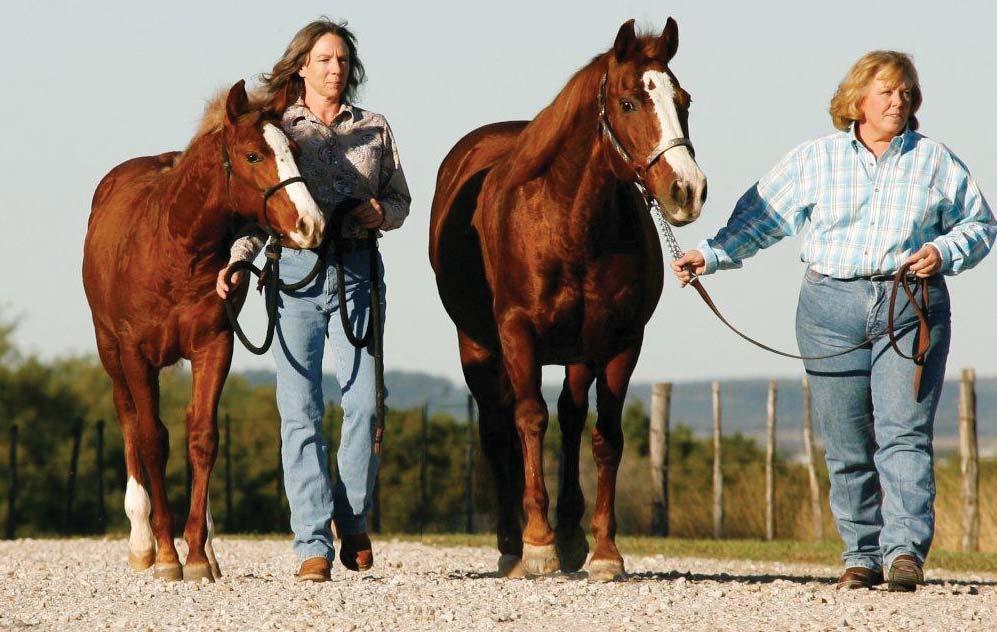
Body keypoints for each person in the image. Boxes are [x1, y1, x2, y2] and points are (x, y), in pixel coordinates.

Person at [672, 51, 994, 591]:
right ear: (857, 100)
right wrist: (711, 254)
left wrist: (943, 250)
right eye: (887, 92)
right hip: (829, 309)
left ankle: (904, 554)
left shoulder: (936, 160)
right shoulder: (814, 159)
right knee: (845, 443)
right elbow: (762, 218)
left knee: (904, 435)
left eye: (906, 93)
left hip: (907, 304)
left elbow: (981, 225)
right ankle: (860, 555)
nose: (899, 102)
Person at [216, 18, 411, 582]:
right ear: (302, 65)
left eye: (343, 61)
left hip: (357, 272)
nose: (335, 69)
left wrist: (382, 214)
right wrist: (238, 258)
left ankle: (350, 519)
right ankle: (311, 544)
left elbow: (399, 199)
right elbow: (264, 206)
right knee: (299, 411)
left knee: (366, 403)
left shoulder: (374, 128)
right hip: (294, 274)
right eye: (324, 59)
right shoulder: (281, 129)